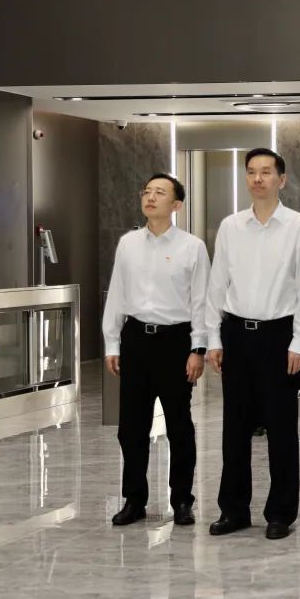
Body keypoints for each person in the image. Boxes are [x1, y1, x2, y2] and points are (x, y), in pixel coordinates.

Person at [205, 148, 300, 541]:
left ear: (281, 179)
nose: (258, 179)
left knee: (281, 429)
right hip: (236, 334)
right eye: (251, 172)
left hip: (279, 337)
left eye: (266, 172)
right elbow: (216, 285)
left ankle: (280, 512)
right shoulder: (231, 226)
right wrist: (213, 338)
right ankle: (233, 510)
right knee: (234, 429)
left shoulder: (299, 227)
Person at [103, 173, 208, 528]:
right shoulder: (128, 244)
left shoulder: (192, 247)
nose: (150, 197)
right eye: (146, 191)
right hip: (136, 339)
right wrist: (112, 342)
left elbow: (200, 301)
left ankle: (182, 500)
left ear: (176, 204)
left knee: (179, 426)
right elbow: (117, 292)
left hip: (175, 342)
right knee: (131, 427)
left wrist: (198, 348)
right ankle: (134, 499)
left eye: (159, 193)